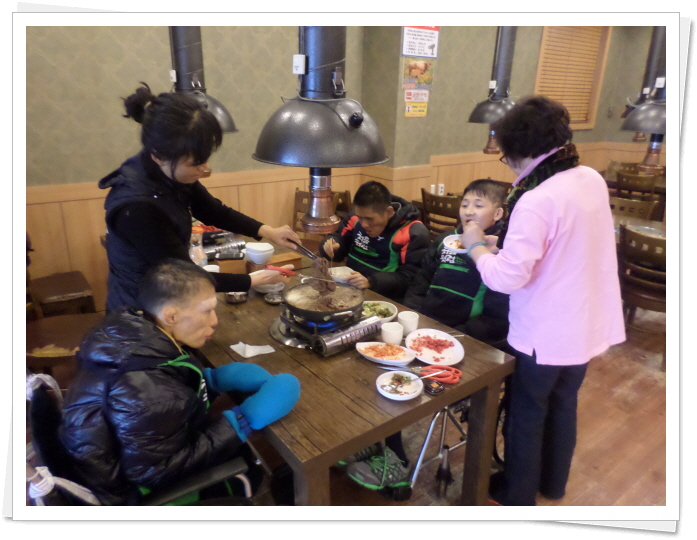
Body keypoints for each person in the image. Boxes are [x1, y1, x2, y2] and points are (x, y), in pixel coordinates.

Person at [460, 96, 625, 506]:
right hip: (585, 322)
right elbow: (563, 246)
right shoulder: (589, 178)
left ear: (519, 149)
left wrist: (475, 244)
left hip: (545, 332)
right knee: (564, 403)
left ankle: (518, 498)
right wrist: (503, 247)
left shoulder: (536, 198)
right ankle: (553, 484)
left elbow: (506, 279)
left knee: (526, 413)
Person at [59, 259, 301, 505]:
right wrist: (242, 420)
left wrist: (210, 381)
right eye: (207, 310)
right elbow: (154, 472)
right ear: (171, 315)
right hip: (134, 494)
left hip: (124, 458)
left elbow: (166, 396)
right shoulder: (148, 392)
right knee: (247, 467)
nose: (214, 320)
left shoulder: (131, 333)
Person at [100, 83, 301, 312]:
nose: (206, 168)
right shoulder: (137, 208)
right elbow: (184, 275)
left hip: (168, 297)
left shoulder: (169, 172)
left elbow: (213, 211)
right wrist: (253, 280)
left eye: (205, 158)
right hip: (139, 311)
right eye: (195, 163)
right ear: (159, 156)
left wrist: (268, 231)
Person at [403, 179, 510, 347]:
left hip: (466, 337)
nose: (469, 211)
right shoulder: (445, 240)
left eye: (478, 206)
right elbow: (422, 280)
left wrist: (457, 336)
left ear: (497, 214)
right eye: (465, 205)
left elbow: (496, 318)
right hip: (427, 325)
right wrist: (413, 314)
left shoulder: (501, 252)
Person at [318, 180, 430, 304]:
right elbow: (339, 237)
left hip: (385, 298)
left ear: (389, 212)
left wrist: (371, 282)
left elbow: (410, 278)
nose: (364, 224)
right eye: (360, 217)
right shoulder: (356, 217)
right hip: (350, 289)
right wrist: (332, 245)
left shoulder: (413, 232)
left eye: (369, 219)